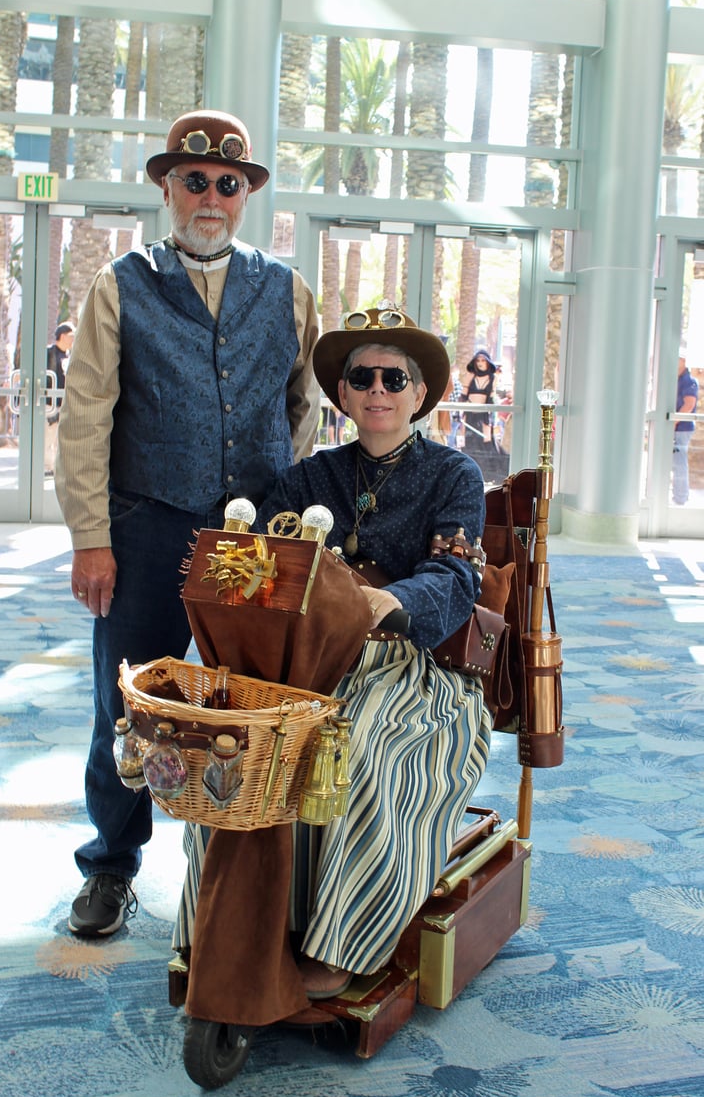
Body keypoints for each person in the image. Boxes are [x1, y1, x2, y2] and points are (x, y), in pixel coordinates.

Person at [55, 109, 320, 937]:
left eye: (227, 184)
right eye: (195, 181)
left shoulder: (286, 288)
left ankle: (243, 876)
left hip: (255, 541)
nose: (211, 196)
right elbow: (86, 416)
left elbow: (302, 407)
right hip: (147, 528)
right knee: (130, 704)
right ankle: (111, 864)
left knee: (257, 705)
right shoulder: (121, 284)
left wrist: (283, 512)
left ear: (246, 196)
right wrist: (91, 536)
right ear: (168, 188)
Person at [177, 308, 491, 1001]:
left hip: (413, 666)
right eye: (361, 377)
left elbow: (458, 576)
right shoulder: (304, 479)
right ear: (343, 395)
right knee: (241, 744)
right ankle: (218, 922)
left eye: (393, 377)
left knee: (369, 750)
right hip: (312, 660)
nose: (377, 389)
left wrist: (390, 600)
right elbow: (261, 566)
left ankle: (343, 940)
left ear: (418, 394)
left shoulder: (455, 476)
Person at [459, 349, 508, 481]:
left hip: (484, 417)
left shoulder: (492, 378)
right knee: (469, 444)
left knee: (486, 444)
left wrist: (491, 419)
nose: (480, 363)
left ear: (488, 362)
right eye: (478, 360)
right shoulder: (471, 377)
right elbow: (462, 397)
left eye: (483, 360)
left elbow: (491, 399)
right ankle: (471, 475)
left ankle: (487, 475)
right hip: (469, 416)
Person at [44, 322, 74, 475]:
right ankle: (47, 467)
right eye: (71, 336)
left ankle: (55, 467)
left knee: (58, 439)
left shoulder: (69, 355)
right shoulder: (49, 353)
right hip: (49, 403)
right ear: (62, 336)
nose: (73, 340)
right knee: (48, 436)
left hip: (62, 402)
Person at [672, 352, 699, 506]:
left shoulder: (689, 381)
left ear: (683, 360)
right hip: (677, 427)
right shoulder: (678, 379)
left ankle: (681, 497)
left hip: (681, 428)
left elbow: (689, 405)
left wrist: (674, 422)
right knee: (676, 461)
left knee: (679, 461)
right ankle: (679, 494)